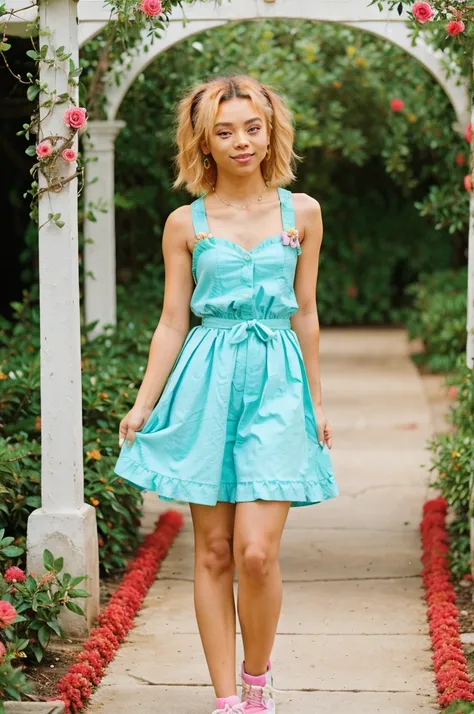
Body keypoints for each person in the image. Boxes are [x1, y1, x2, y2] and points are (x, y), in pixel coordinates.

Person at [115, 74, 339, 714]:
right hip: (206, 384)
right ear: (204, 143)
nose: (241, 141)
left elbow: (307, 314)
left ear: (270, 133)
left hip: (277, 381)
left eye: (252, 127)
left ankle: (258, 679)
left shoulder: (305, 213)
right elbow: (171, 320)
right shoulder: (185, 222)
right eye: (224, 131)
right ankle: (226, 701)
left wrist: (317, 402)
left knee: (256, 552)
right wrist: (143, 402)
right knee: (213, 551)